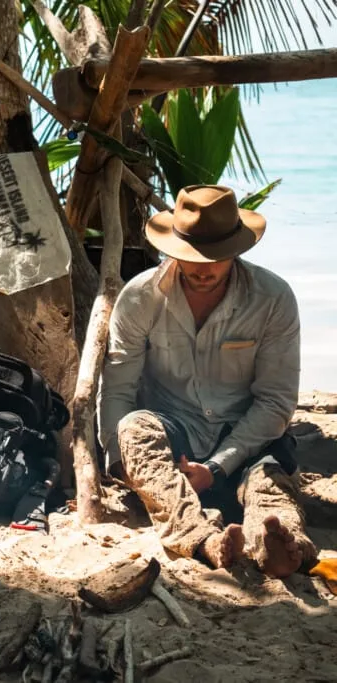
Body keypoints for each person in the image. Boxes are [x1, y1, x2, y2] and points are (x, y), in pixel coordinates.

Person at [99, 184, 316, 579]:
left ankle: (283, 545)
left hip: (248, 441)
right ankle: (204, 541)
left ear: (236, 249)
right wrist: (124, 465)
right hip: (174, 441)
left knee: (268, 486)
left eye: (215, 257)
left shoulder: (273, 299)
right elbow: (117, 390)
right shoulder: (139, 297)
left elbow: (275, 404)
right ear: (171, 247)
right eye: (190, 256)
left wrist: (216, 467)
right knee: (132, 428)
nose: (203, 268)